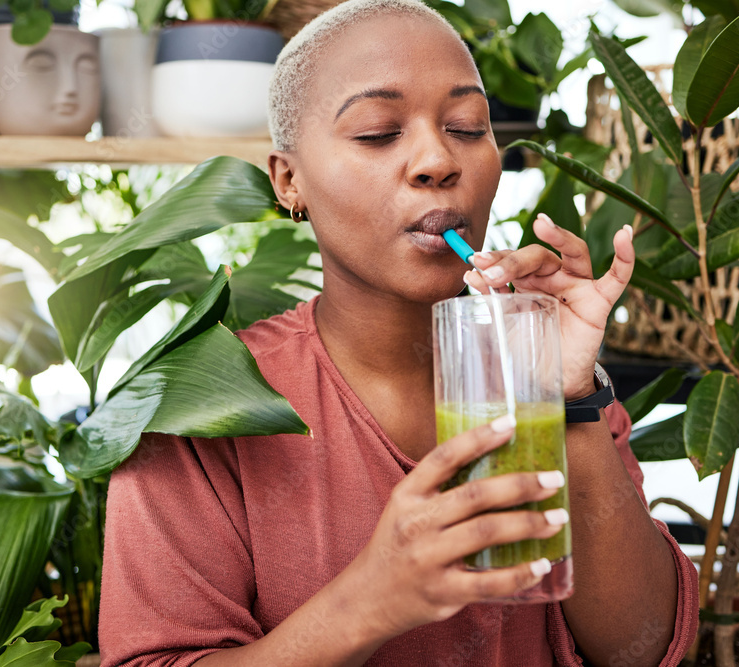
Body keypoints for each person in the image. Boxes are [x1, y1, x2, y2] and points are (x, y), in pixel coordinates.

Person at [98, 0, 699, 664]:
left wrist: (568, 396)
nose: (438, 158)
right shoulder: (199, 408)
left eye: (468, 127)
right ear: (289, 180)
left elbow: (644, 648)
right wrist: (372, 600)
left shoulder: (543, 371)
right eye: (380, 131)